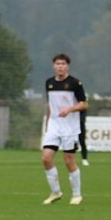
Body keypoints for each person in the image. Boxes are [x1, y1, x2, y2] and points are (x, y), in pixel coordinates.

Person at [41, 53, 88, 205]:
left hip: (70, 128)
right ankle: (55, 192)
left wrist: (70, 109)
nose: (60, 66)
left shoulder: (75, 83)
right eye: (57, 64)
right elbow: (50, 105)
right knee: (46, 158)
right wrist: (48, 124)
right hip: (54, 127)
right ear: (53, 66)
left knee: (69, 161)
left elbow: (84, 104)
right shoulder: (49, 83)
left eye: (63, 64)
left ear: (67, 66)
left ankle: (76, 194)